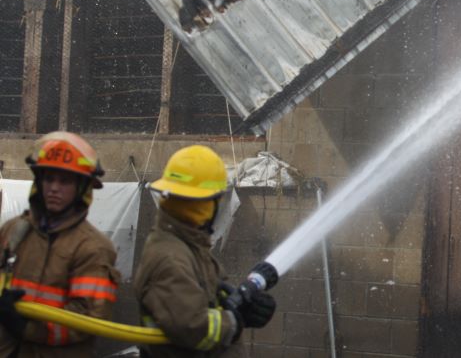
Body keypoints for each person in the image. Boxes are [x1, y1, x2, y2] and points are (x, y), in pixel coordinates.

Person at [134, 145, 276, 357]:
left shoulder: (187, 246)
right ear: (208, 204)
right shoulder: (170, 257)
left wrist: (237, 299)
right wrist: (236, 320)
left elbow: (201, 300)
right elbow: (192, 328)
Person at [0, 131, 120, 357]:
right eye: (49, 179)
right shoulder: (13, 230)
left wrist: (25, 328)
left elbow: (86, 320)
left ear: (82, 188)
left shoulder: (94, 248)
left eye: (64, 181)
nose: (54, 188)